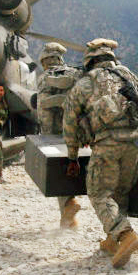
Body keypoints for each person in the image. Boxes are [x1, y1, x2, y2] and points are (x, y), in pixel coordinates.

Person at [62, 38, 138, 268]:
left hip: (106, 144)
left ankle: (125, 236)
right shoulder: (130, 77)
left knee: (99, 193)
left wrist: (73, 156)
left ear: (90, 61)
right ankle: (111, 241)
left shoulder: (86, 83)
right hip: (135, 145)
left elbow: (70, 122)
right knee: (120, 193)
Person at [35, 42, 84, 228]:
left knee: (57, 171)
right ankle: (69, 219)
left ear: (44, 61)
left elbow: (42, 108)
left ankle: (68, 205)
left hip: (52, 134)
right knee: (73, 165)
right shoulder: (73, 74)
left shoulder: (44, 77)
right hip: (74, 131)